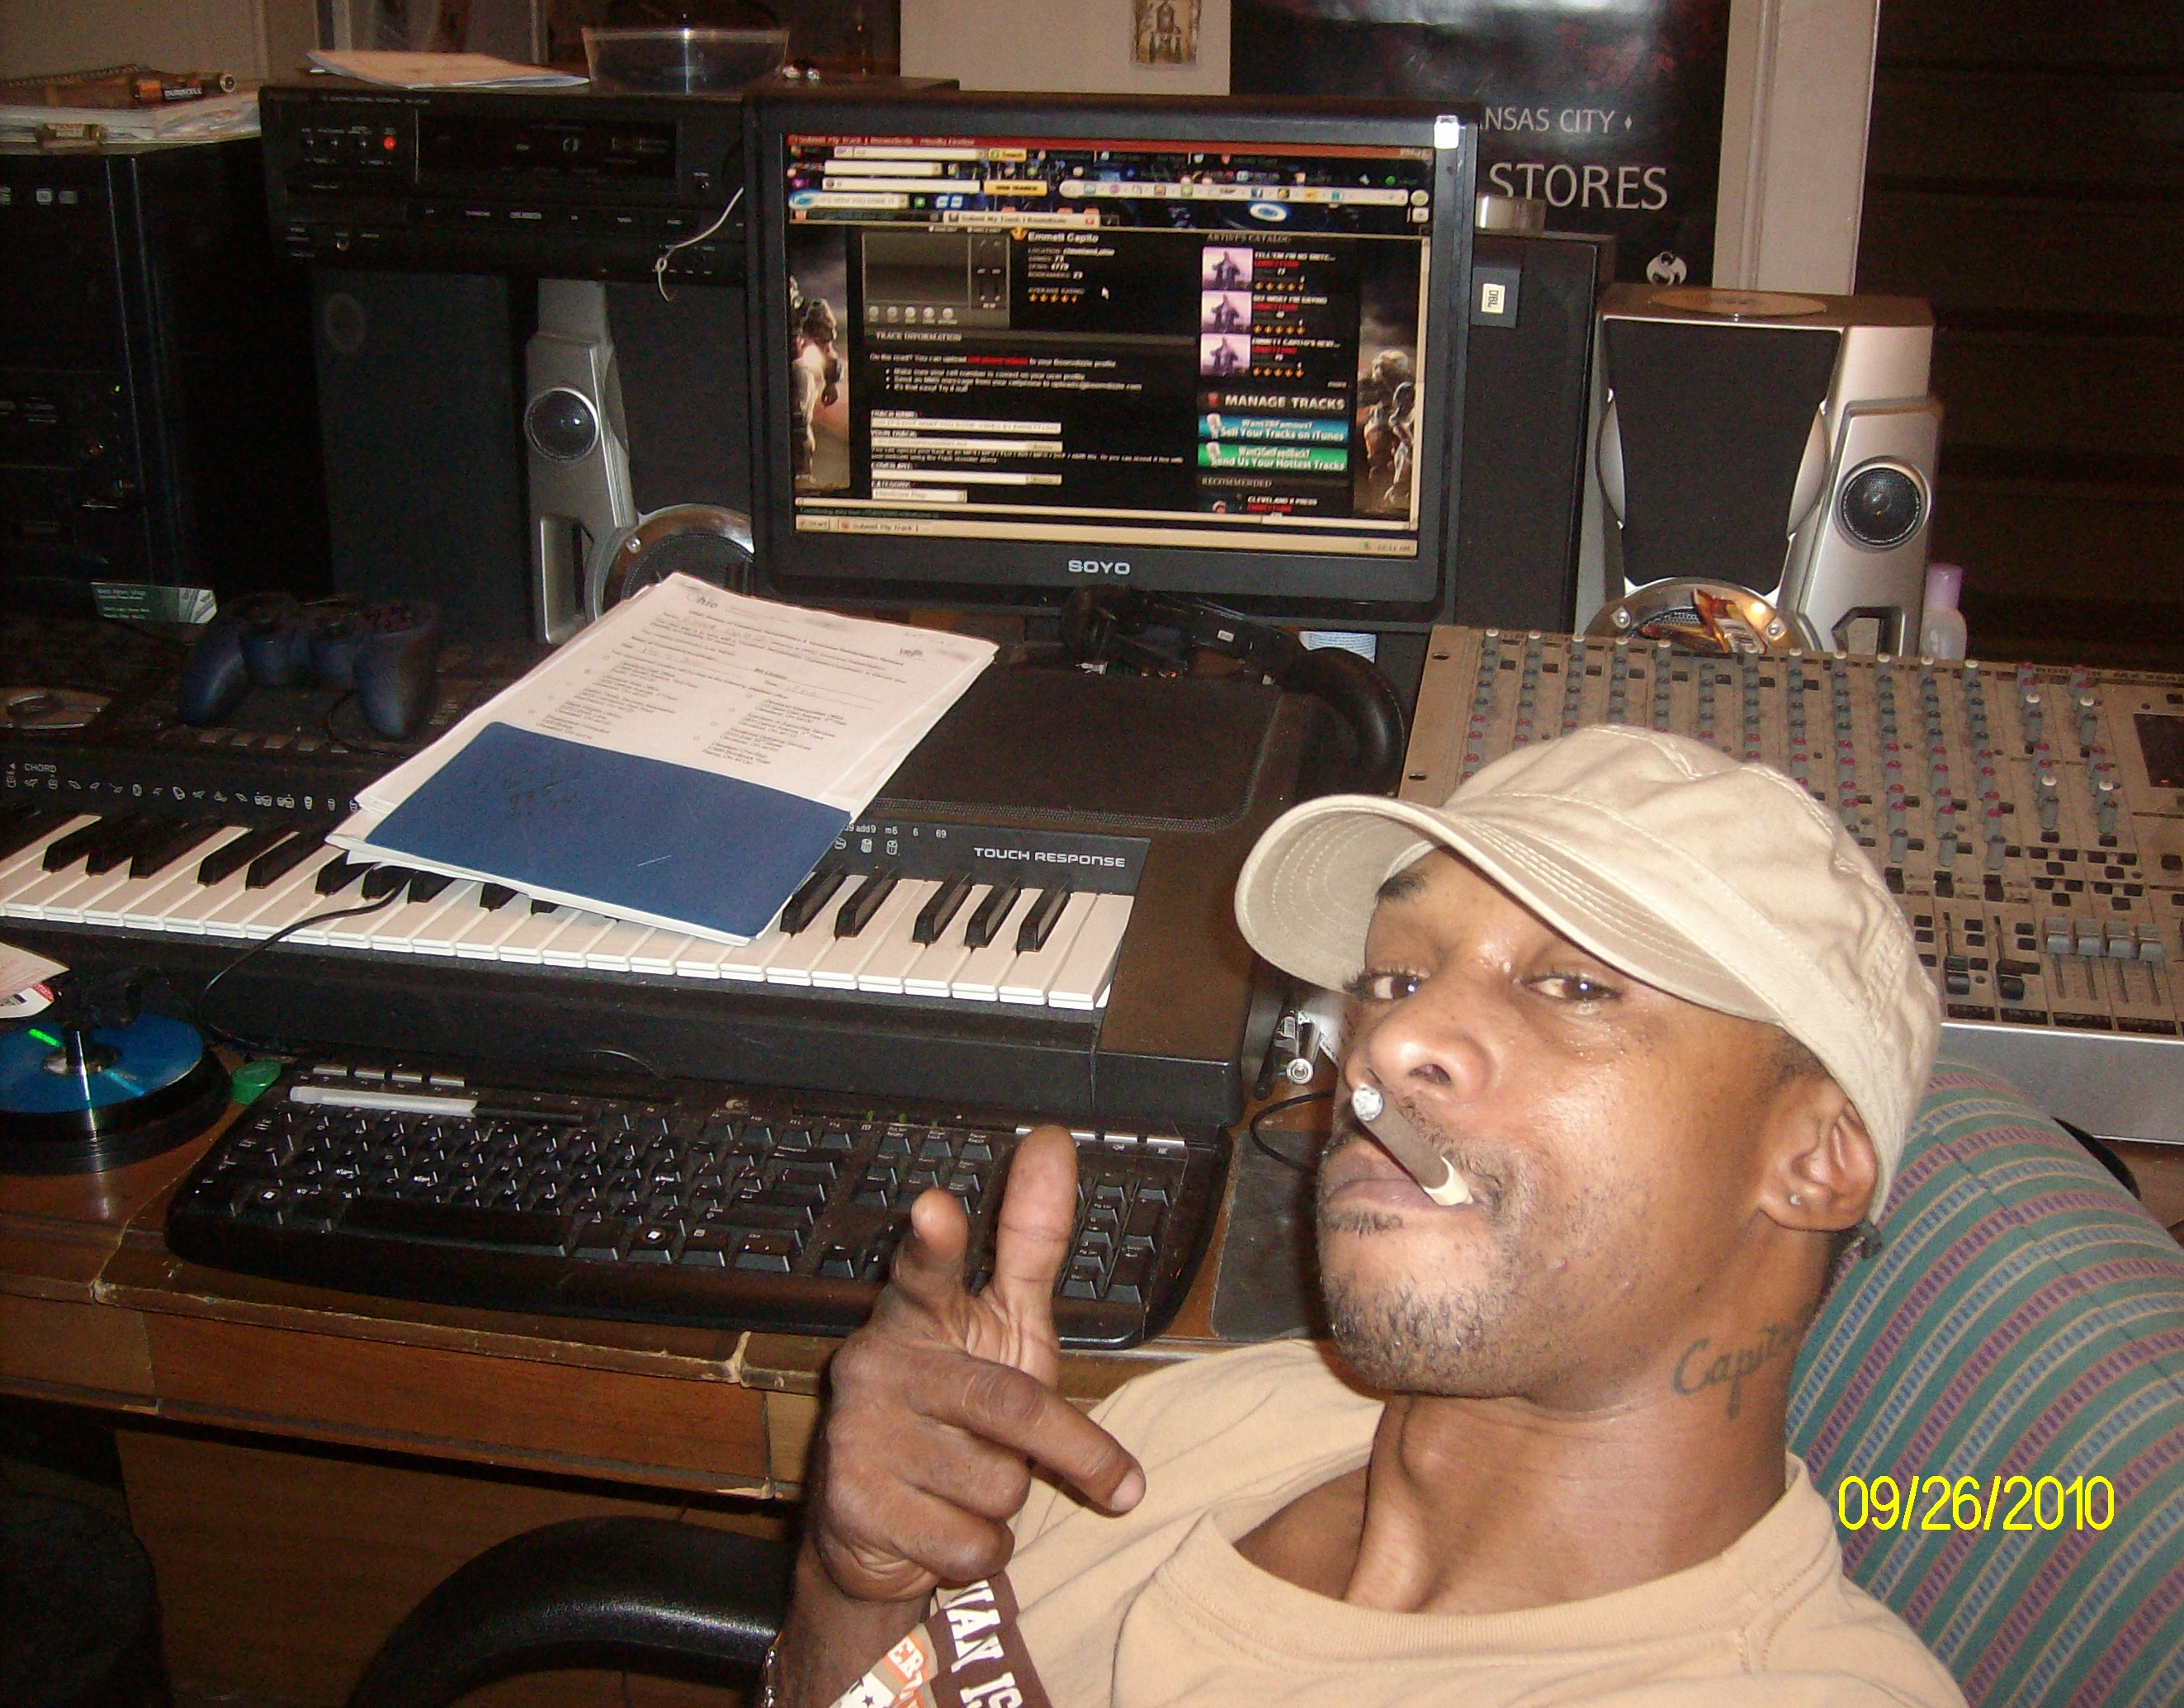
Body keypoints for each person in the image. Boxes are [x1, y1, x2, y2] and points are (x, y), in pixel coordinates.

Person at [773, 727, 1964, 1708]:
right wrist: (862, 1582)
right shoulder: (1221, 1417)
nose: (1388, 1044)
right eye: (1395, 977)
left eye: (1574, 985)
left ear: (1815, 1160)